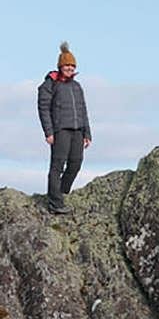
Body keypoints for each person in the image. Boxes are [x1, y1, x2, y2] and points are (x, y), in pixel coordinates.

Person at [37, 42, 92, 215]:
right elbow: (43, 108)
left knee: (76, 163)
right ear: (60, 66)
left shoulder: (77, 86)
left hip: (78, 130)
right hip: (60, 130)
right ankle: (55, 203)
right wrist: (49, 132)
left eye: (72, 66)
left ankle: (60, 193)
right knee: (57, 166)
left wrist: (87, 133)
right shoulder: (51, 84)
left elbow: (83, 110)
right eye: (66, 65)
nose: (69, 68)